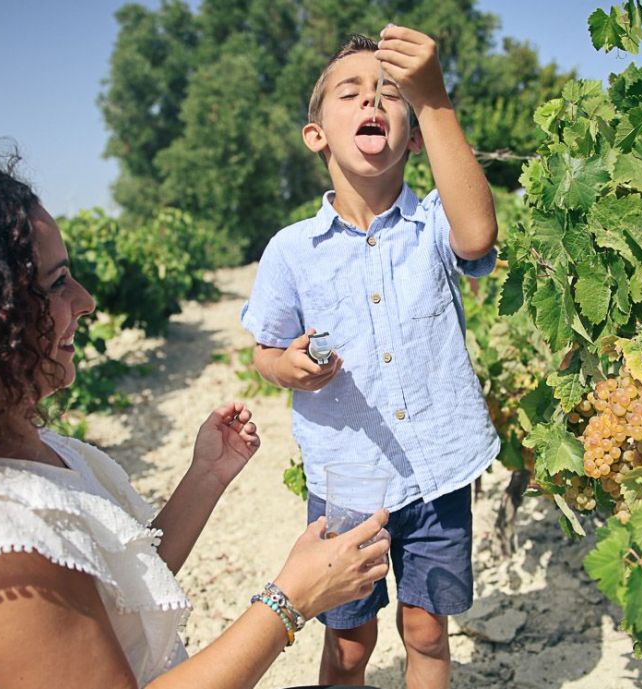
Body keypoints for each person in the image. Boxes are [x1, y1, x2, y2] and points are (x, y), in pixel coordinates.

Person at [0, 154, 391, 689]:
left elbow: (112, 592)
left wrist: (206, 476)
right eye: (57, 282)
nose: (86, 302)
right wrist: (290, 601)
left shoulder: (16, 446)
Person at [240, 26, 500, 689]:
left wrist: (434, 97)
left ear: (414, 136)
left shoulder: (436, 224)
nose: (372, 102)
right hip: (348, 483)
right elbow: (266, 351)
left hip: (439, 471)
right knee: (350, 645)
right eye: (350, 93)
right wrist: (288, 366)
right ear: (317, 134)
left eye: (390, 94)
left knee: (427, 632)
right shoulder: (292, 251)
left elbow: (478, 234)